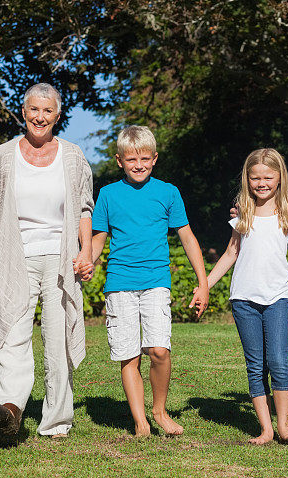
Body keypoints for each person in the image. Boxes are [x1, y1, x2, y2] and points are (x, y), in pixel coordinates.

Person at [0, 82, 95, 445]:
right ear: (23, 112)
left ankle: (56, 421)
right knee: (13, 330)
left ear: (57, 116)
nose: (39, 116)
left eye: (47, 111)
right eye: (33, 109)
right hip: (16, 256)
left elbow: (84, 209)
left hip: (60, 258)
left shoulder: (73, 156)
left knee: (58, 339)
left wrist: (86, 251)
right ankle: (9, 409)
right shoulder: (3, 155)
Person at [84, 125, 209, 437]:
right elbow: (99, 239)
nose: (137, 165)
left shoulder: (168, 192)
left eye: (143, 158)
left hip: (156, 281)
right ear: (119, 161)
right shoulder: (108, 195)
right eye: (130, 159)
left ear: (154, 159)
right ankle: (140, 423)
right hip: (119, 283)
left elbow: (188, 238)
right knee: (129, 354)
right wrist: (88, 260)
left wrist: (203, 282)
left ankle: (160, 411)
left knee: (159, 351)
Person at [206, 148, 288, 445]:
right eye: (255, 178)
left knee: (278, 360)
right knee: (255, 364)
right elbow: (230, 254)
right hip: (244, 299)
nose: (261, 183)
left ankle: (284, 426)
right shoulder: (243, 212)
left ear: (279, 178)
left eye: (268, 177)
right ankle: (265, 429)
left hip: (278, 297)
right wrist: (205, 286)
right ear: (247, 179)